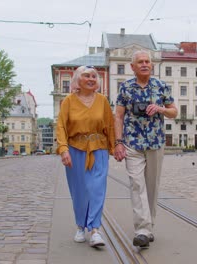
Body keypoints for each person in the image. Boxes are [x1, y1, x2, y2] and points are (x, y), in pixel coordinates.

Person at [113, 50, 178, 248]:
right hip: (133, 143)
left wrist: (160, 109)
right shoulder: (125, 88)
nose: (144, 64)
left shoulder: (161, 86)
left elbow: (174, 112)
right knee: (136, 184)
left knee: (151, 187)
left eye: (147, 61)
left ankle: (148, 227)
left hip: (156, 143)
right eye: (140, 62)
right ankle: (142, 229)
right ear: (132, 67)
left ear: (152, 65)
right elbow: (119, 116)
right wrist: (118, 142)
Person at [55, 65, 115, 248]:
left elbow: (110, 126)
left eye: (94, 76)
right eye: (86, 76)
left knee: (97, 188)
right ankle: (81, 226)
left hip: (99, 149)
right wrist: (63, 149)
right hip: (75, 149)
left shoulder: (103, 101)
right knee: (80, 191)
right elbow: (61, 127)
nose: (91, 79)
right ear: (77, 80)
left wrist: (115, 147)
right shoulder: (68, 101)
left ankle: (95, 230)